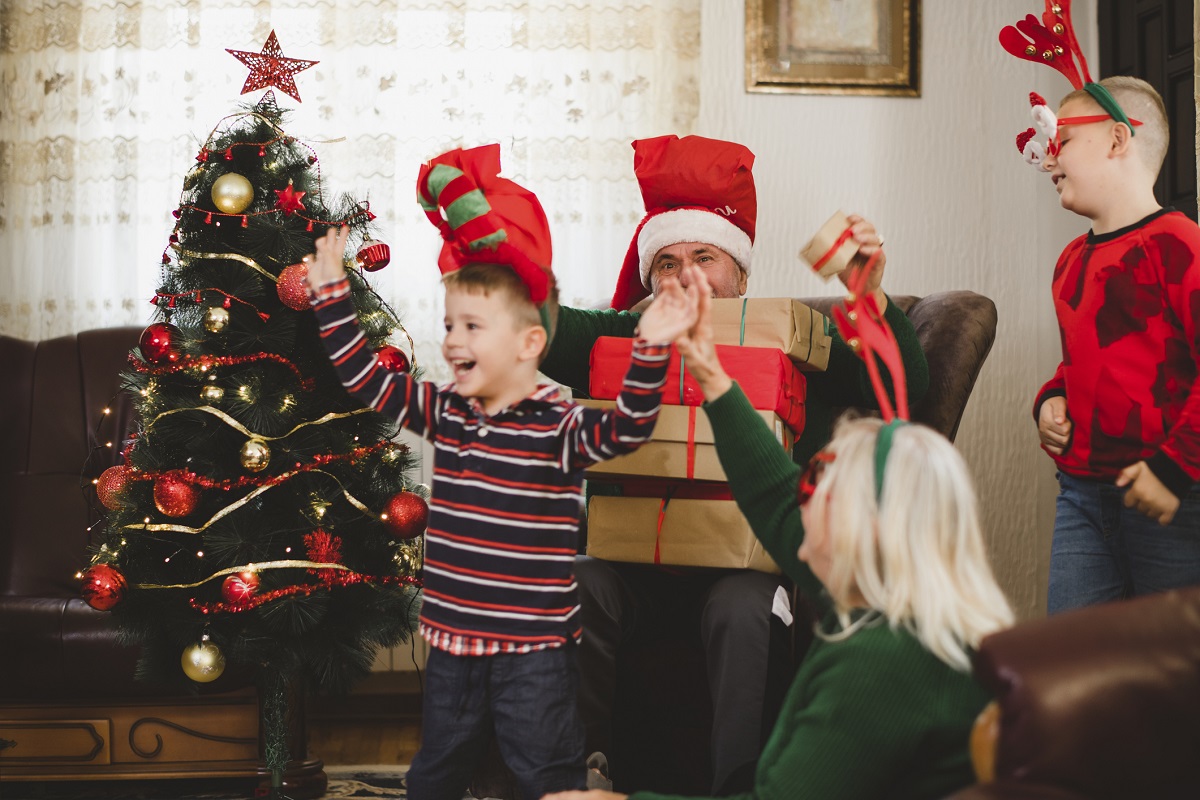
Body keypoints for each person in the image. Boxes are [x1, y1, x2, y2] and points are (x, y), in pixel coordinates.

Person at [304, 144, 698, 800]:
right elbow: (368, 383)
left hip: (535, 650)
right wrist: (331, 299)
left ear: (528, 343)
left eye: (473, 327)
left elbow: (628, 428)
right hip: (455, 642)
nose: (453, 341)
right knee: (438, 768)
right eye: (450, 325)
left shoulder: (557, 425)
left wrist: (651, 348)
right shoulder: (447, 410)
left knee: (545, 769)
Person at [539, 134, 930, 793]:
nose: (685, 275)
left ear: (740, 276)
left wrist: (870, 292)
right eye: (667, 262)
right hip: (630, 575)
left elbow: (903, 385)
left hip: (741, 572)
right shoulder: (622, 334)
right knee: (577, 580)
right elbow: (543, 331)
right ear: (649, 281)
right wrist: (497, 249)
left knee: (745, 606)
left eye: (705, 257)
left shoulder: (785, 337)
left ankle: (740, 788)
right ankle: (580, 776)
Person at [544, 264, 1014, 800]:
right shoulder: (884, 605)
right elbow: (770, 491)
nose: (798, 498)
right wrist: (712, 374)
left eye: (817, 486)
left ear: (870, 528)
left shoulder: (877, 664)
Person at [1031, 76, 1200, 614]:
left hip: (1173, 496)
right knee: (1073, 649)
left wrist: (1175, 468)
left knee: (1168, 653)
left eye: (1062, 140)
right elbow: (1084, 360)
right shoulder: (1068, 262)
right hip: (1081, 496)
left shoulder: (1178, 245)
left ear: (1118, 139)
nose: (1048, 157)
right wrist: (1052, 396)